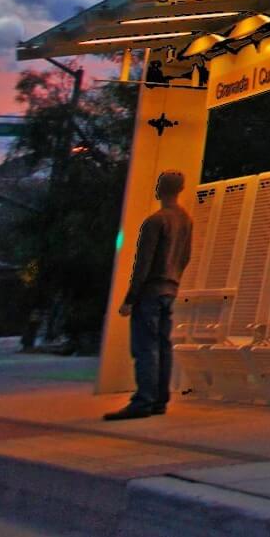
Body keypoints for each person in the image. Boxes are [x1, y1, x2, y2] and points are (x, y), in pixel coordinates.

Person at [104, 170, 192, 421]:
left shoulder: (156, 221)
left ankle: (144, 399)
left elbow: (143, 263)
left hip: (151, 290)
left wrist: (131, 298)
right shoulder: (185, 220)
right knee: (163, 345)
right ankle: (160, 399)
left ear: (160, 188)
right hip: (170, 289)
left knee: (145, 347)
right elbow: (185, 256)